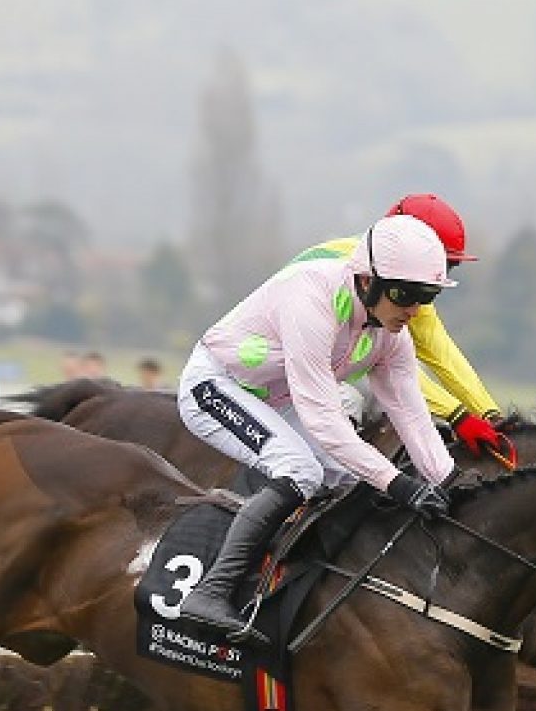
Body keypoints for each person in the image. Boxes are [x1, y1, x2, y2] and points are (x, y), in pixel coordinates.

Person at [175, 212, 457, 635]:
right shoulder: (312, 298)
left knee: (348, 480)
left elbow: (413, 416)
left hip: (281, 398)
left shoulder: (390, 335)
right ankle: (211, 591)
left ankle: (297, 582)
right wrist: (399, 483)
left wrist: (448, 484)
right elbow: (324, 419)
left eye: (428, 296)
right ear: (367, 280)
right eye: (404, 294)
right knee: (302, 470)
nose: (414, 310)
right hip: (216, 384)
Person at [283, 194, 514, 466]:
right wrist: (458, 416)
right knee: (351, 405)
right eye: (443, 262)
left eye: (449, 266)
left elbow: (441, 352)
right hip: (288, 372)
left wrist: (489, 414)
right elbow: (384, 366)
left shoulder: (401, 276)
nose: (440, 274)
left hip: (336, 364)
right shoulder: (370, 274)